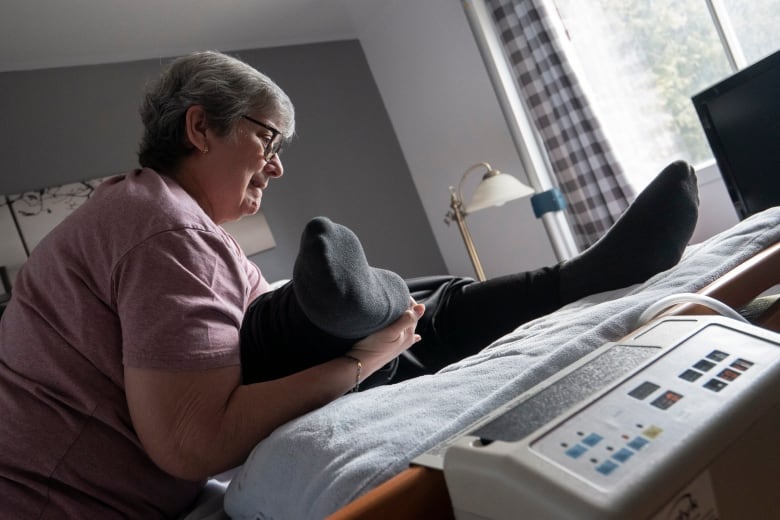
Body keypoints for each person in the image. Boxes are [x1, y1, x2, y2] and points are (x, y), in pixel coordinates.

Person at [0, 50, 698, 519]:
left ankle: (372, 301)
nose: (276, 168)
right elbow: (190, 444)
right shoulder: (162, 230)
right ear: (200, 128)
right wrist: (362, 358)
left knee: (395, 309)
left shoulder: (150, 212)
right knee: (365, 330)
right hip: (66, 505)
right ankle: (567, 279)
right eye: (268, 141)